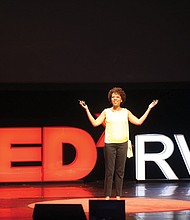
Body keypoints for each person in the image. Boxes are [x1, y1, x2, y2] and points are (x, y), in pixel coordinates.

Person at [79, 87, 158, 200]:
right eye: (113, 97)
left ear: (121, 99)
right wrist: (86, 109)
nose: (115, 99)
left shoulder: (126, 112)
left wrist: (149, 108)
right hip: (110, 144)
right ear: (110, 99)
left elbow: (139, 121)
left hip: (123, 143)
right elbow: (95, 123)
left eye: (117, 97)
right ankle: (107, 195)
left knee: (120, 171)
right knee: (109, 170)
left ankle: (118, 195)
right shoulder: (106, 111)